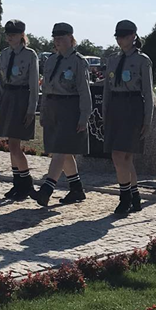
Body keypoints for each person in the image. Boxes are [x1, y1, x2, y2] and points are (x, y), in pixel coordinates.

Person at [34, 23, 93, 208]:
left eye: (61, 37)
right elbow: (46, 89)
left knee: (60, 150)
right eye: (55, 38)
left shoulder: (78, 61)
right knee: (62, 151)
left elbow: (84, 91)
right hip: (53, 107)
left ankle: (47, 189)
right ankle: (76, 189)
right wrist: (43, 112)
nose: (58, 41)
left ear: (71, 38)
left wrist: (84, 116)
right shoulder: (51, 60)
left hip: (70, 107)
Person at [102, 20, 153, 217]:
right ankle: (135, 196)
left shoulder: (142, 60)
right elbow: (107, 89)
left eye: (124, 36)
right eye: (118, 36)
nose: (120, 40)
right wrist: (105, 111)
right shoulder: (113, 60)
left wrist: (147, 120)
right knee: (125, 157)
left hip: (133, 107)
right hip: (116, 106)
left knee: (119, 155)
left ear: (133, 36)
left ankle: (125, 198)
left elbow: (148, 92)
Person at [0, 20, 39, 201]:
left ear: (21, 35)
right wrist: (0, 104)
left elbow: (34, 84)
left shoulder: (29, 55)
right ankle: (17, 182)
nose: (10, 37)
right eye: (8, 34)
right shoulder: (4, 54)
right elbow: (1, 82)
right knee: (11, 145)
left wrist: (31, 109)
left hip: (21, 98)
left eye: (13, 34)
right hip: (7, 98)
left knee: (14, 145)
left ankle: (26, 182)